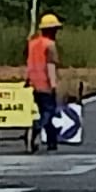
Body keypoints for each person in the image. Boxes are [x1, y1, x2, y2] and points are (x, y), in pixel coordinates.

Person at [26, 12, 63, 151]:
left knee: (45, 112)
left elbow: (30, 63)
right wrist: (53, 85)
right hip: (45, 84)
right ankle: (37, 127)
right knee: (49, 112)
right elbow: (50, 66)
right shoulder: (50, 45)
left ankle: (52, 142)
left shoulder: (32, 44)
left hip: (33, 84)